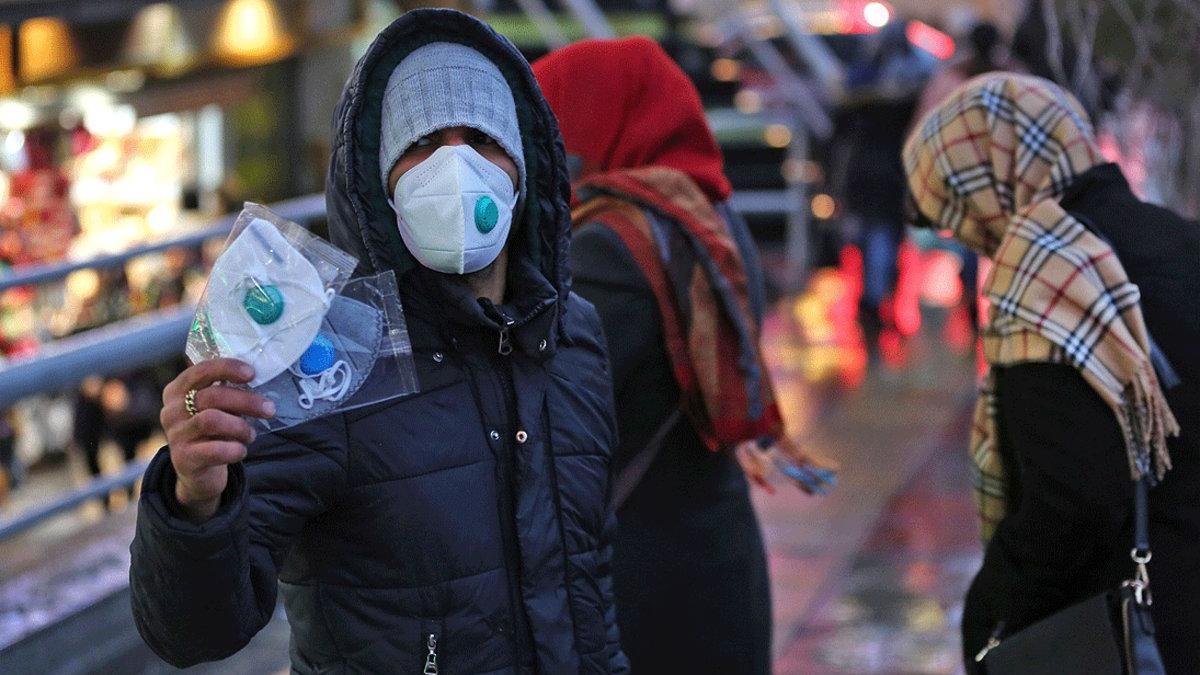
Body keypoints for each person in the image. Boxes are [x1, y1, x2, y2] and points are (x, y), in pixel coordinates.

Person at [129, 9, 629, 674]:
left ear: (522, 168)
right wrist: (195, 501)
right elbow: (191, 633)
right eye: (420, 145)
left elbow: (588, 590)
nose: (456, 167)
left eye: (481, 138)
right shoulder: (329, 364)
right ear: (380, 182)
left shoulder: (574, 339)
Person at [534, 37, 830, 674]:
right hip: (713, 559)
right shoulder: (704, 215)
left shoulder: (610, 246)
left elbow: (547, 405)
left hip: (648, 585)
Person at [903, 73, 1199, 672]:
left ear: (990, 182)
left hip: (1131, 630)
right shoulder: (1181, 241)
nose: (963, 234)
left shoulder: (1041, 281)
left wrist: (991, 617)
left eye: (955, 209)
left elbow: (1074, 498)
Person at [834, 20, 935, 357]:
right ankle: (879, 298)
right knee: (886, 236)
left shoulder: (863, 83)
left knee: (870, 235)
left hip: (868, 171)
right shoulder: (913, 82)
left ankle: (874, 299)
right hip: (893, 171)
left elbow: (843, 123)